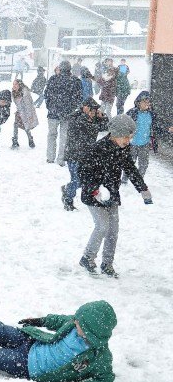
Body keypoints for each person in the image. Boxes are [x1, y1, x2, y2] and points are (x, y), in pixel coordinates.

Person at [77, 114, 152, 277]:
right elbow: (82, 171)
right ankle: (87, 257)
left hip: (111, 195)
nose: (128, 140)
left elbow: (131, 169)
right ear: (115, 134)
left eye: (130, 137)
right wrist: (95, 189)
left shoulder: (124, 149)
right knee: (102, 226)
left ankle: (107, 264)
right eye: (126, 137)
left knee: (113, 231)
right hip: (94, 196)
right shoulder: (96, 149)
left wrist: (143, 189)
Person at [61, 97, 108, 211]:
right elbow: (90, 127)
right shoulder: (77, 118)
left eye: (95, 110)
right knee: (78, 180)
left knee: (82, 181)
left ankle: (68, 190)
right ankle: (68, 198)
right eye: (92, 110)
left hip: (86, 156)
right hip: (74, 155)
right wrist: (95, 119)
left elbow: (106, 126)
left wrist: (104, 117)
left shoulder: (93, 119)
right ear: (85, 108)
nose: (94, 113)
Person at [126, 91, 173, 180]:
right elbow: (123, 124)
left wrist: (167, 130)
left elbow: (157, 127)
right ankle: (124, 181)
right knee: (129, 164)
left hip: (145, 144)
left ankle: (139, 180)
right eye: (145, 101)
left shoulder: (151, 114)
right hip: (132, 144)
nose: (147, 104)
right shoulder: (132, 112)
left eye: (148, 102)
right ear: (138, 102)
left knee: (144, 164)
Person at [44, 60, 82, 166]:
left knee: (51, 135)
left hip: (53, 113)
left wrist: (50, 106)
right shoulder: (75, 81)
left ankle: (50, 157)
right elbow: (78, 98)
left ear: (60, 68)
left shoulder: (53, 79)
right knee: (64, 137)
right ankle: (61, 159)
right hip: (67, 114)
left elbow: (46, 94)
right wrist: (71, 109)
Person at [11, 77, 38, 149]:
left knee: (26, 127)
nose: (14, 86)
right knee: (15, 125)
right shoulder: (14, 92)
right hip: (19, 112)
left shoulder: (25, 93)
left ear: (19, 85)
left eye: (16, 84)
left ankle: (30, 139)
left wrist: (30, 116)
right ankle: (15, 141)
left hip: (26, 112)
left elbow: (29, 105)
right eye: (13, 84)